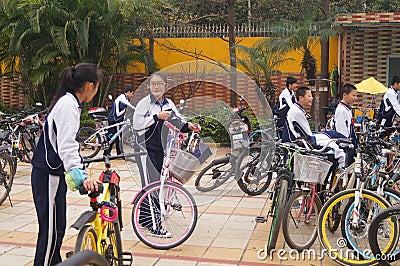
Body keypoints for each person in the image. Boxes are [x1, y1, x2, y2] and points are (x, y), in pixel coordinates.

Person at [31, 63, 102, 265]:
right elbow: (67, 147)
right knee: (50, 233)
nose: (96, 91)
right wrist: (82, 176)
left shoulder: (69, 103)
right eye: (96, 87)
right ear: (90, 85)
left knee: (56, 230)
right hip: (48, 177)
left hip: (52, 176)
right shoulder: (68, 105)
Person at [132, 71, 199, 237]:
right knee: (151, 185)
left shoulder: (168, 103)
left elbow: (177, 121)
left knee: (157, 184)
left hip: (160, 149)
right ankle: (155, 226)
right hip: (144, 149)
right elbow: (137, 124)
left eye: (159, 84)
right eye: (153, 83)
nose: (156, 86)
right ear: (149, 85)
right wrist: (156, 117)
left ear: (165, 86)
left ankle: (145, 219)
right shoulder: (144, 103)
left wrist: (189, 126)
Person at [282, 86, 346, 168]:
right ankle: (340, 171)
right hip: (303, 141)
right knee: (337, 149)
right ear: (301, 98)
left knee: (333, 135)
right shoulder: (297, 112)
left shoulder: (296, 109)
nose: (311, 98)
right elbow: (309, 136)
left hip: (304, 139)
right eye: (309, 96)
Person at [106, 86, 136, 155]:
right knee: (114, 137)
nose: (132, 95)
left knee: (115, 136)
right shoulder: (122, 98)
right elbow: (130, 106)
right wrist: (138, 111)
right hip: (115, 120)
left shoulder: (123, 98)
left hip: (116, 120)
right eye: (132, 93)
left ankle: (116, 153)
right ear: (128, 92)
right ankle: (109, 153)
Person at [334, 84, 358, 163]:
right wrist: (347, 145)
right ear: (345, 95)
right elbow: (341, 130)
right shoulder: (341, 110)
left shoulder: (347, 108)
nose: (355, 98)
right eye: (353, 95)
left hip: (350, 143)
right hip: (346, 146)